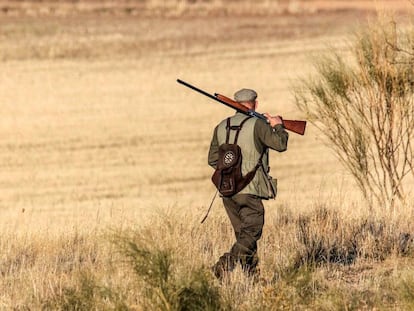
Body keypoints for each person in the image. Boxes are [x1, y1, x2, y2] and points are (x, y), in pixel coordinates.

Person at [207, 88, 288, 280]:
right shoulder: (257, 125)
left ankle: (252, 278)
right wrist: (278, 126)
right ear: (255, 104)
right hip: (249, 188)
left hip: (227, 190)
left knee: (244, 236)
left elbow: (212, 160)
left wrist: (231, 168)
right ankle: (223, 266)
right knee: (252, 231)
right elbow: (280, 144)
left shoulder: (221, 126)